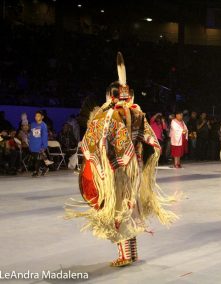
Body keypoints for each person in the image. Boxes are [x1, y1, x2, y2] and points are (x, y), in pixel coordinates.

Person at [65, 53, 178, 267]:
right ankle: (132, 252)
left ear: (110, 94)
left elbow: (94, 142)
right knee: (130, 206)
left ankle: (124, 255)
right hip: (134, 166)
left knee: (119, 208)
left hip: (117, 170)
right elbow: (151, 141)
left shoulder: (108, 116)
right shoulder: (137, 112)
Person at [29, 110, 50, 177]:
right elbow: (31, 135)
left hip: (39, 145)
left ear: (42, 117)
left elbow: (44, 136)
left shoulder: (43, 125)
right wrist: (30, 144)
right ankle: (44, 168)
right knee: (35, 159)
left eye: (38, 116)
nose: (36, 117)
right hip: (33, 145)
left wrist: (44, 146)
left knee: (38, 159)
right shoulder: (32, 124)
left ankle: (36, 171)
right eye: (35, 116)